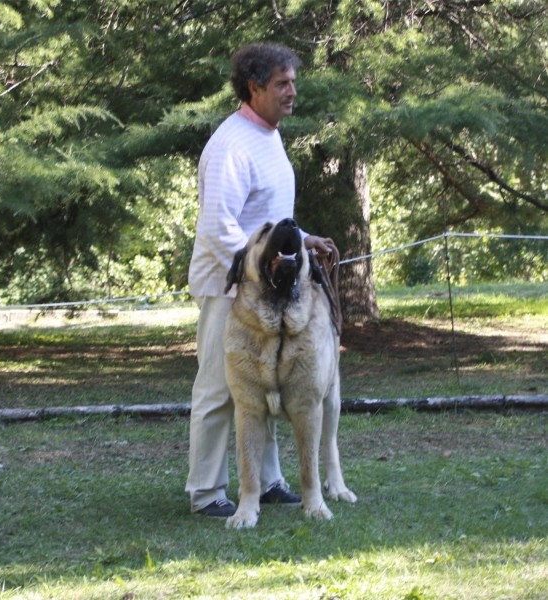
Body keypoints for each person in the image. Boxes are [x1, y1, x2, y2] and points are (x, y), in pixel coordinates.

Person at [185, 42, 332, 517]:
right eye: (282, 84)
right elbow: (217, 228)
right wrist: (256, 270)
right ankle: (206, 493)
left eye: (294, 82)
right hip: (228, 288)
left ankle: (267, 482)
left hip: (266, 288)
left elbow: (271, 220)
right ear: (254, 88)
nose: (293, 92)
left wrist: (304, 240)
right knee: (218, 391)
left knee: (268, 385)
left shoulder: (268, 134)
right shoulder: (230, 144)